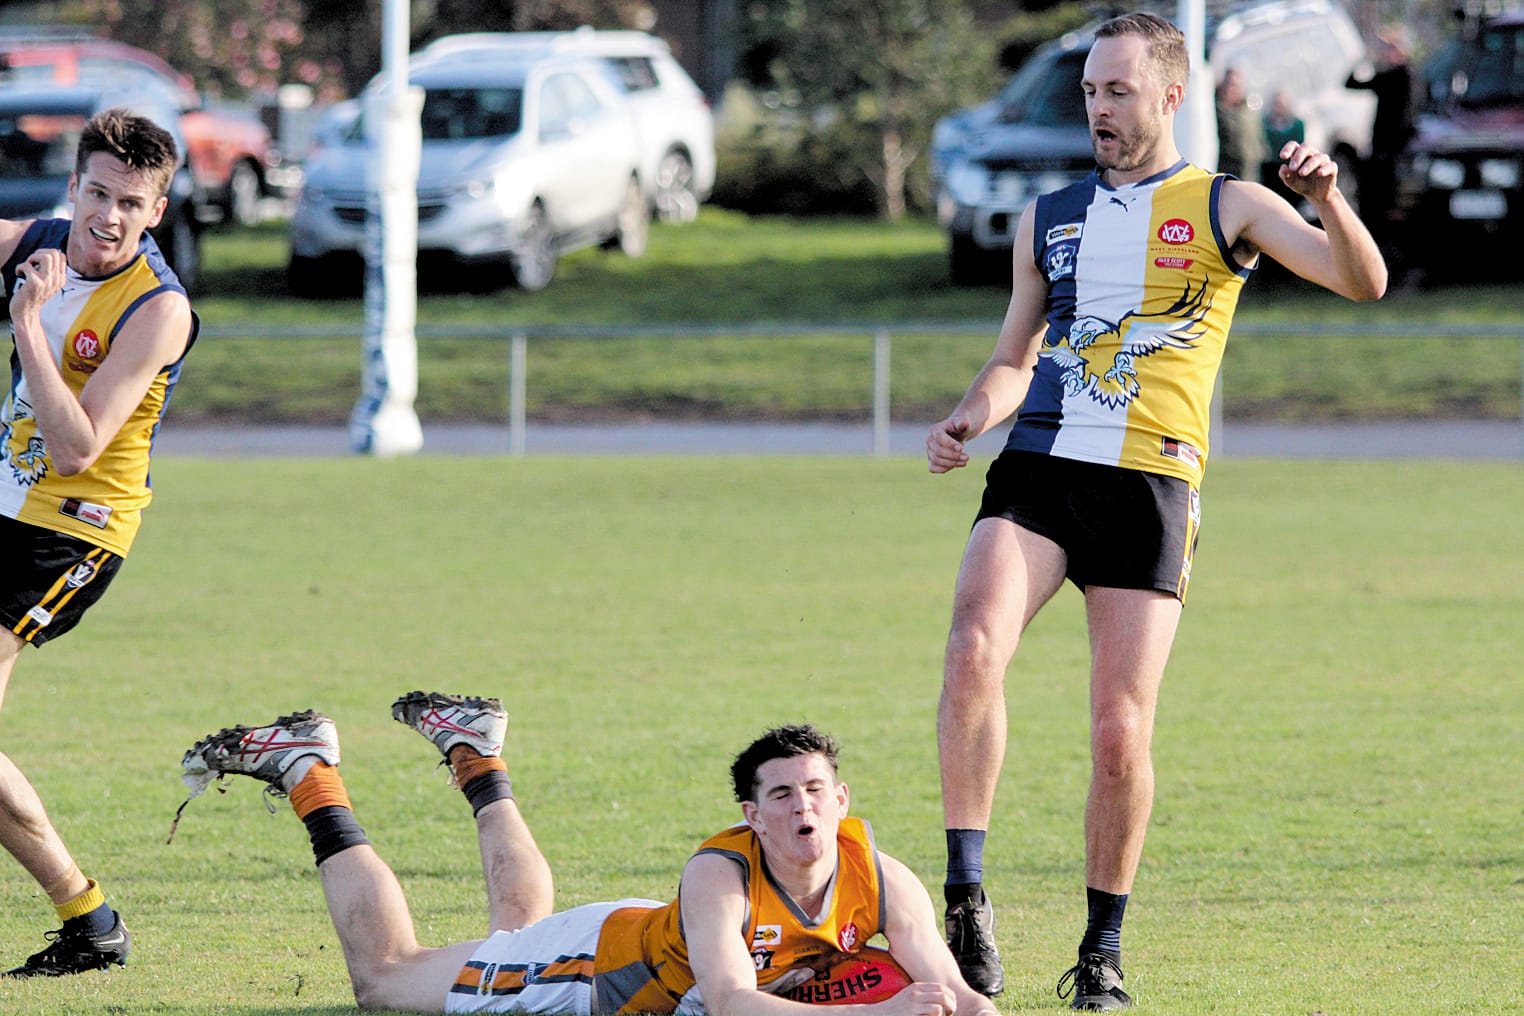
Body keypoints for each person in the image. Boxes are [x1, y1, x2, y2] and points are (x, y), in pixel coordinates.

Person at [926, 11, 1385, 1011]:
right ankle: (966, 897)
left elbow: (1363, 281)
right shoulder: (1047, 216)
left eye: (1118, 91)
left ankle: (1101, 950)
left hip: (1150, 485)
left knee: (1119, 730)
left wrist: (1328, 200)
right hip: (1041, 463)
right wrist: (969, 415)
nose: (1099, 107)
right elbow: (1013, 359)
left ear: (1171, 96)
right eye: (1091, 91)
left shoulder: (1231, 204)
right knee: (971, 648)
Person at [173, 690, 1000, 1016]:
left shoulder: (881, 876)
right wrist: (880, 1015)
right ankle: (307, 771)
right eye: (782, 796)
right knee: (385, 981)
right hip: (593, 972)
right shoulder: (722, 872)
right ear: (751, 816)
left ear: (842, 800)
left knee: (512, 932)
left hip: (623, 938)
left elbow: (957, 993)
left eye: (817, 791)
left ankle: (475, 751)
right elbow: (731, 1003)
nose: (804, 807)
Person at [0, 107, 197, 978]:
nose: (108, 217)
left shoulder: (159, 310)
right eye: (97, 193)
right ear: (73, 187)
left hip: (72, 532)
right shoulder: (38, 240)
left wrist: (27, 322)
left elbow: (79, 446)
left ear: (156, 211)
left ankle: (92, 920)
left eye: (130, 203)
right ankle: (89, 922)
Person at [1345, 25, 1414, 246]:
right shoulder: (1388, 77)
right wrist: (1363, 61)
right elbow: (1351, 84)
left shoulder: (1403, 76)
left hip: (1395, 149)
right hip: (1383, 147)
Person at [1214, 66, 1266, 183]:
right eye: (1229, 84)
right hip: (1224, 169)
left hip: (1249, 170)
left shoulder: (1249, 111)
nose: (1231, 89)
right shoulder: (1215, 110)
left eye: (1235, 85)